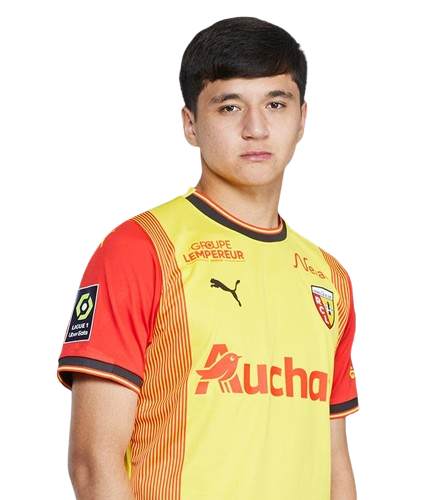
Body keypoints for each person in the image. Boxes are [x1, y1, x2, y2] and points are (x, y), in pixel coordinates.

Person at [57, 16, 360, 499]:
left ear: (302, 119)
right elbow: (94, 463)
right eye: (230, 106)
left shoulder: (329, 276)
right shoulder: (139, 249)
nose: (256, 128)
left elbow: (335, 460)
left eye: (275, 104)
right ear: (190, 125)